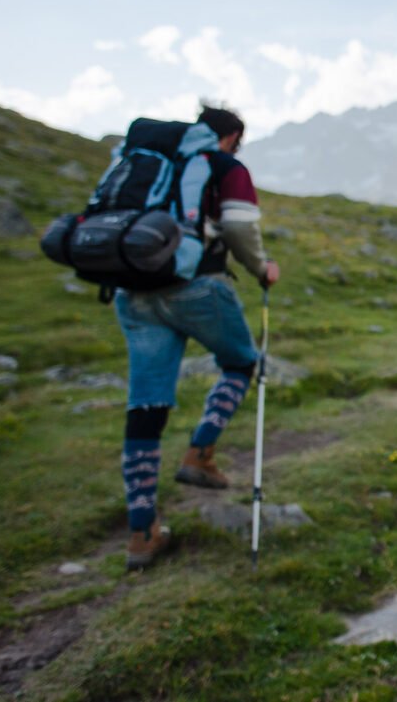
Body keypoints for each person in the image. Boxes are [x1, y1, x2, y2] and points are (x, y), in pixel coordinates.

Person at [119, 105, 281, 570]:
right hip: (197, 285)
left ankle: (141, 531)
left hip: (133, 289)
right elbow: (237, 226)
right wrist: (260, 269)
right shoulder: (225, 165)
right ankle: (201, 450)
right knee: (241, 362)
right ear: (231, 136)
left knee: (145, 406)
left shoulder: (148, 163)